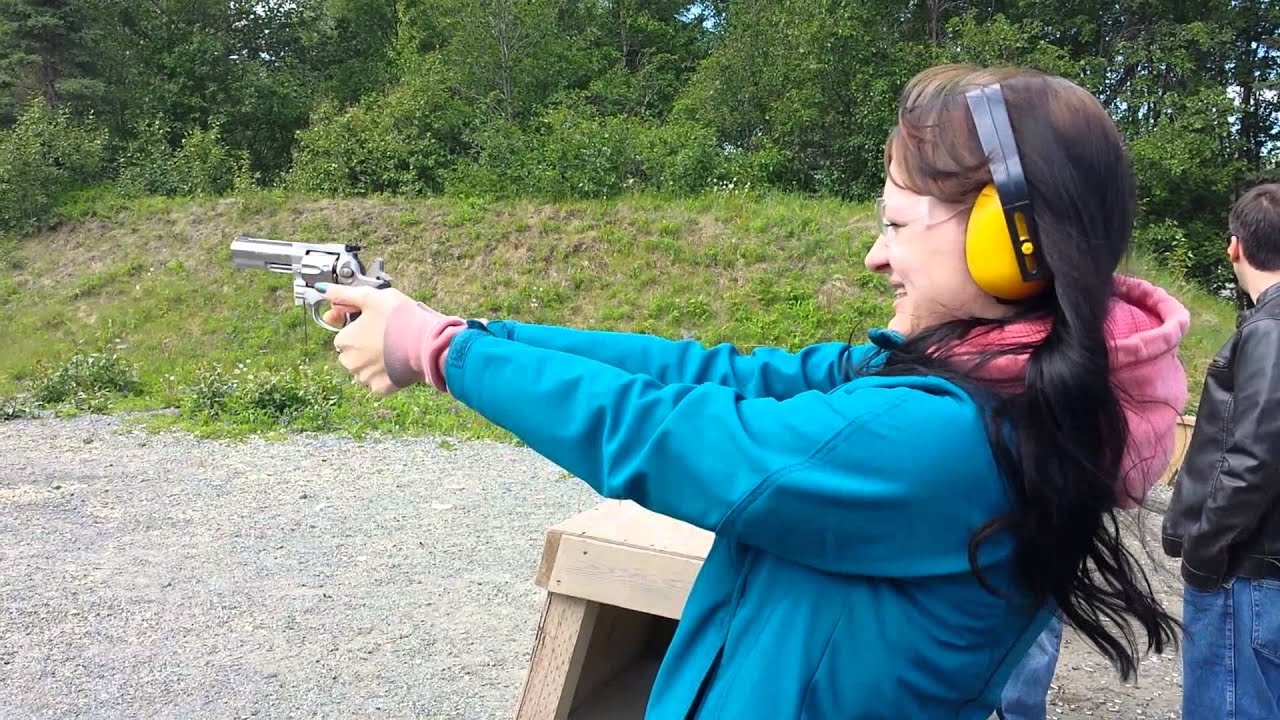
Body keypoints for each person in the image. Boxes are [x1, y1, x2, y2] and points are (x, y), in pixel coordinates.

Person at [314, 64, 1189, 718]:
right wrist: (473, 334)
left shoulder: (952, 435)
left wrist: (442, 355)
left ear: (1011, 242)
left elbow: (666, 434)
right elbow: (715, 373)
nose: (875, 255)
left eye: (895, 222)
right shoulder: (983, 383)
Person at [1163, 182, 1280, 720]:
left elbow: (1256, 457)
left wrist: (1205, 552)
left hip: (1247, 571)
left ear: (1235, 246)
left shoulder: (1270, 331)